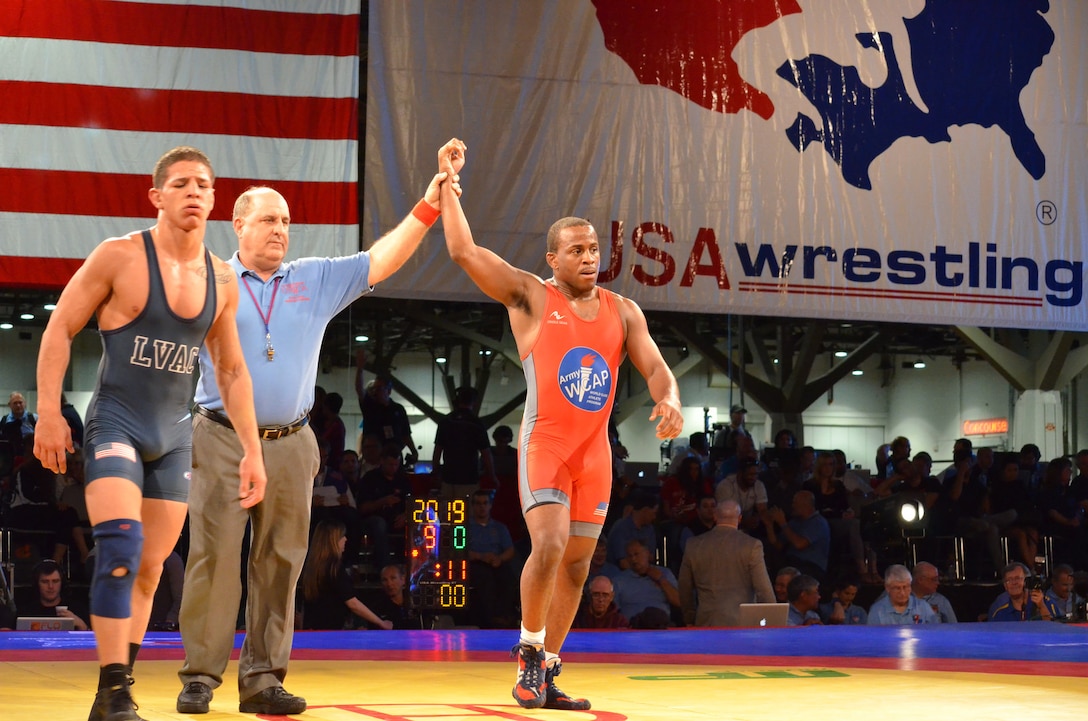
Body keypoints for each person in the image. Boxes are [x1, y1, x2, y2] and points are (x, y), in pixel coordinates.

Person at [176, 140, 463, 716]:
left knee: (282, 559)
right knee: (215, 557)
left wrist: (429, 204)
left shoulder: (313, 278)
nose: (281, 230)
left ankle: (261, 679)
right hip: (222, 436)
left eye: (286, 221)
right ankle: (201, 677)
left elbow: (382, 258)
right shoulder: (208, 278)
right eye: (268, 220)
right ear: (237, 226)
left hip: (290, 441)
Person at [439, 152, 683, 710]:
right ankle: (527, 653)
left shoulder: (623, 311)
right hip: (544, 444)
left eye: (594, 248)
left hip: (593, 455)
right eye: (576, 250)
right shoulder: (530, 295)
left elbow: (654, 367)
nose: (589, 258)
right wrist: (447, 189)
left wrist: (669, 398)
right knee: (547, 544)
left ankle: (547, 670)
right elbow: (464, 251)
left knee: (576, 565)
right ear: (553, 259)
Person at [32, 146, 267, 721]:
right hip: (116, 422)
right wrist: (47, 412)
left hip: (174, 434)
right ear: (157, 197)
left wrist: (252, 452)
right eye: (182, 183)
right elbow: (61, 327)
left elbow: (233, 371)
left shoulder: (221, 278)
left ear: (214, 200)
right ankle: (112, 691)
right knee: (119, 548)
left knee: (151, 568)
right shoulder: (119, 257)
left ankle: (120, 684)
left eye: (204, 185)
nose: (194, 192)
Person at [678, 500, 775, 627]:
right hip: (741, 623)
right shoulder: (751, 545)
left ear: (715, 516)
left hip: (706, 622)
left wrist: (689, 618)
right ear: (739, 519)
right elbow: (763, 589)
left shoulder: (693, 545)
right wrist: (773, 620)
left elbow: (684, 586)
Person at [299, 520, 393, 631]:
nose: (345, 539)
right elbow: (353, 603)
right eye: (342, 536)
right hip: (327, 634)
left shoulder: (312, 567)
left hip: (313, 630)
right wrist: (381, 622)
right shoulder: (333, 568)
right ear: (333, 540)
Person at [432, 386, 496, 497]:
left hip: (448, 478)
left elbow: (437, 451)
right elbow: (486, 453)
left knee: (447, 512)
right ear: (473, 402)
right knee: (467, 512)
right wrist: (492, 476)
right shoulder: (476, 424)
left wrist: (436, 473)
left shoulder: (446, 422)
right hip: (469, 479)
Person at [612, 539, 681, 629]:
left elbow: (679, 602)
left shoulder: (664, 573)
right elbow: (612, 611)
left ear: (647, 553)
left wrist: (661, 580)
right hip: (631, 629)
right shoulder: (618, 580)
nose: (633, 559)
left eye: (636, 554)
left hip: (660, 628)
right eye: (630, 556)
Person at [17, 559, 90, 631]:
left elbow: (95, 640)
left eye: (55, 581)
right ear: (37, 584)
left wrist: (81, 625)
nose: (51, 586)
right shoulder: (25, 613)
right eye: (45, 582)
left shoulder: (78, 610)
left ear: (62, 583)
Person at [989, 562, 1060, 622]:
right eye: (1009, 580)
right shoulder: (999, 613)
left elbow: (1056, 630)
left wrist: (1041, 606)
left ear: (1027, 581)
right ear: (1005, 586)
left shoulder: (1046, 603)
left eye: (1017, 578)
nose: (1014, 583)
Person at [867, 565, 938, 625]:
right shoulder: (877, 611)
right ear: (887, 588)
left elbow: (935, 633)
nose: (902, 593)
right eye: (897, 588)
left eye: (905, 587)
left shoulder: (923, 607)